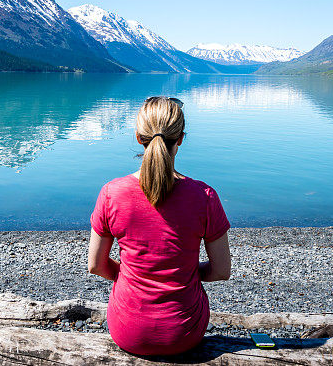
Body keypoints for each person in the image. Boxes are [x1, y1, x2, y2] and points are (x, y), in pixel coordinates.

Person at [87, 96, 231, 356]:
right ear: (181, 139)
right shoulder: (205, 196)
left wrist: (132, 274)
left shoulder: (111, 193)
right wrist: (184, 273)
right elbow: (221, 271)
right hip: (184, 332)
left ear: (138, 137)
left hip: (127, 330)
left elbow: (95, 265)